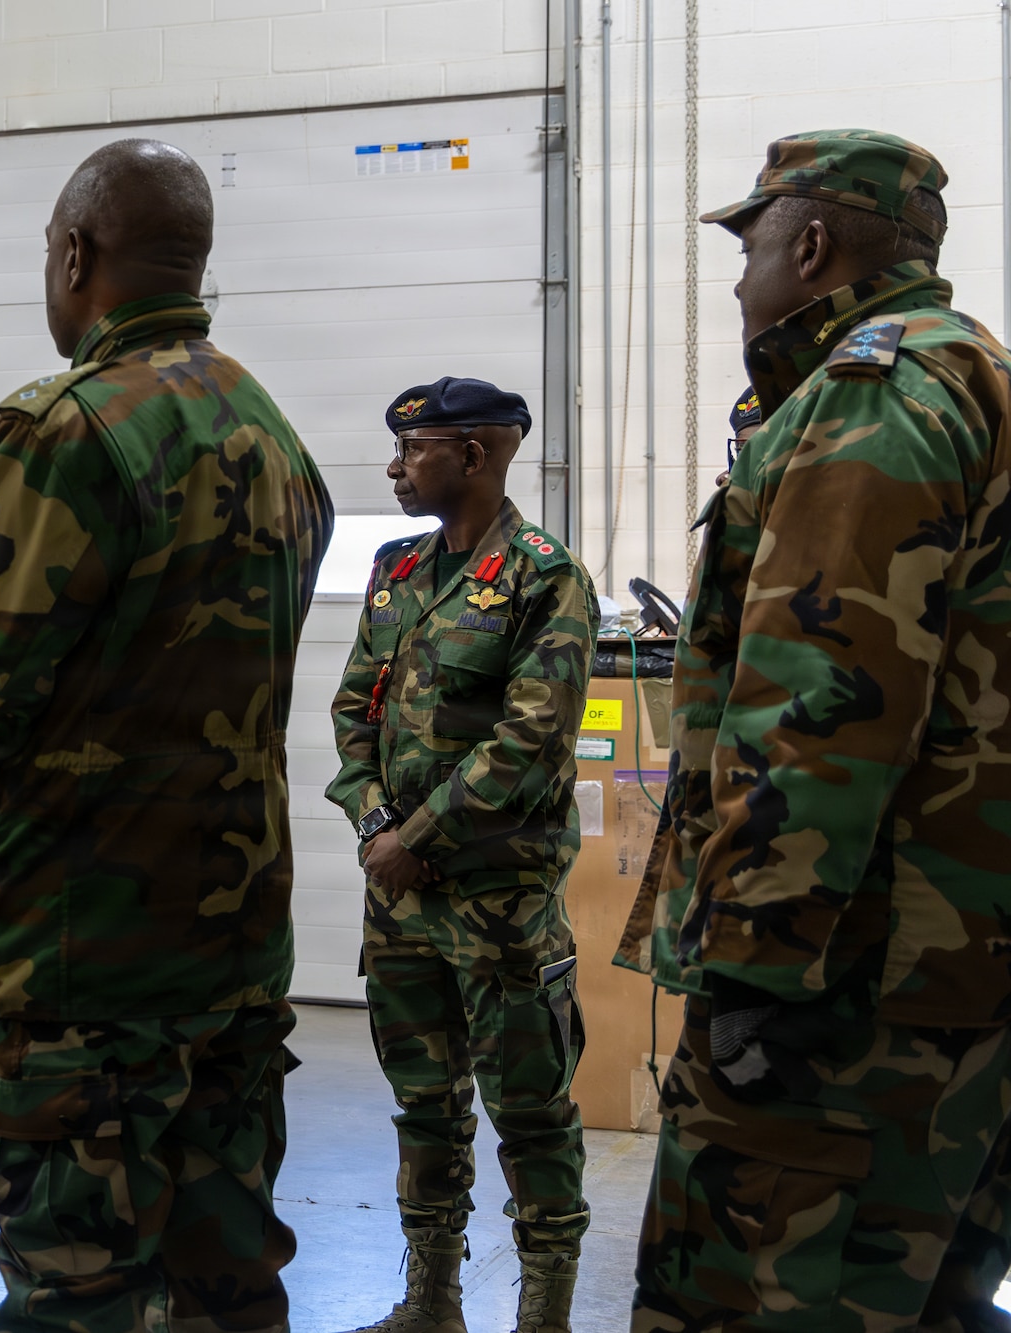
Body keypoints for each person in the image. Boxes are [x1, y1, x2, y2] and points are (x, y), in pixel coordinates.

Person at [0, 138, 334, 1333]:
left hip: (78, 958)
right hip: (229, 948)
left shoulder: (76, 431)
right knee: (226, 1279)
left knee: (78, 1284)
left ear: (75, 255)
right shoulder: (271, 434)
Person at [618, 129, 1011, 1331]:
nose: (739, 281)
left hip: (847, 989)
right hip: (951, 965)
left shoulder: (871, 396)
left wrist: (751, 968)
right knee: (925, 1294)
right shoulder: (971, 371)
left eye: (750, 246)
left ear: (813, 242)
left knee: (747, 1295)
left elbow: (822, 710)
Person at [328, 377, 597, 1333]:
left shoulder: (543, 576)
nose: (396, 466)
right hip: (398, 903)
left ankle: (544, 1316)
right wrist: (373, 828)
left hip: (500, 903)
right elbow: (352, 713)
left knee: (530, 1112)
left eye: (415, 449)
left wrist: (418, 837)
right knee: (424, 1107)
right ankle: (431, 1300)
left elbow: (530, 740)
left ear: (476, 454)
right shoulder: (397, 571)